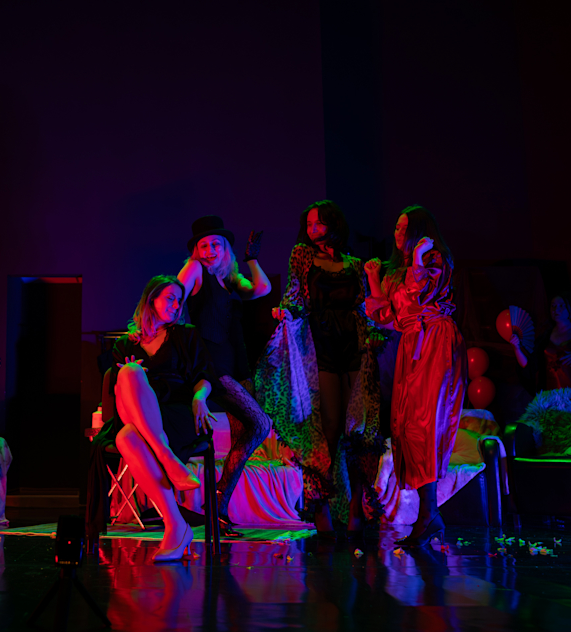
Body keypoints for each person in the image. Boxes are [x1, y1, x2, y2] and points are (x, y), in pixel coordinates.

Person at [269, 200, 384, 537]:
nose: (313, 230)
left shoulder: (354, 263)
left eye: (318, 223)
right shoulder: (302, 256)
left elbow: (363, 306)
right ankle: (320, 506)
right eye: (308, 224)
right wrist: (285, 312)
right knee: (329, 427)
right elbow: (294, 296)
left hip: (353, 345)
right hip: (321, 345)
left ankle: (357, 507)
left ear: (333, 225)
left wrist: (375, 336)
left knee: (357, 431)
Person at [364, 206, 466, 547]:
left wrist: (420, 259)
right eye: (395, 227)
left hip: (435, 340)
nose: (397, 234)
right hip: (411, 345)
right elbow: (388, 316)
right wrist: (374, 279)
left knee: (426, 425)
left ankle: (428, 515)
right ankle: (428, 514)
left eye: (404, 228)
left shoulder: (436, 258)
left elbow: (422, 296)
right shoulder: (399, 270)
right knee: (407, 427)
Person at [97, 275, 218, 561]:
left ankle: (176, 525)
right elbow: (116, 392)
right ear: (151, 300)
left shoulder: (186, 335)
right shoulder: (125, 344)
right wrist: (134, 377)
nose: (177, 305)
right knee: (129, 373)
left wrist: (199, 397)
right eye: (170, 298)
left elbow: (204, 375)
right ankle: (167, 459)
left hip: (174, 414)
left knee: (126, 438)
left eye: (180, 301)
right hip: (136, 414)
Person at [178, 215, 273, 535]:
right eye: (203, 245)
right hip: (213, 366)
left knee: (243, 435)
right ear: (196, 250)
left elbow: (262, 288)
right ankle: (217, 501)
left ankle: (218, 510)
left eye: (215, 244)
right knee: (261, 424)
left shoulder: (228, 278)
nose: (209, 250)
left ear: (225, 248)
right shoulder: (195, 270)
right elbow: (175, 296)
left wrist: (251, 259)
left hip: (236, 364)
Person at [508, 291, 571, 394]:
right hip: (552, 397)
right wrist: (516, 348)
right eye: (553, 306)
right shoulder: (544, 338)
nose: (556, 310)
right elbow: (530, 368)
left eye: (562, 306)